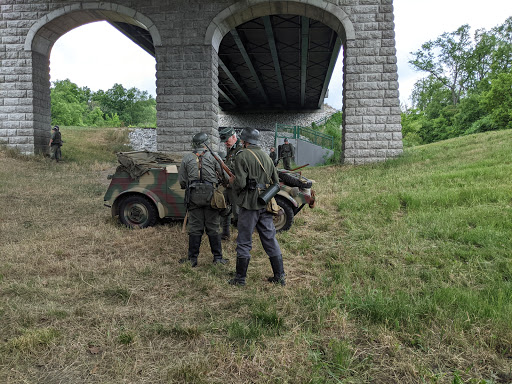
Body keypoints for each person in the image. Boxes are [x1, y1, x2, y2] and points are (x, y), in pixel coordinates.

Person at [228, 127, 285, 286]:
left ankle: (240, 279)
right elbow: (275, 181)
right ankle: (280, 277)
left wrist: (233, 186)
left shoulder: (242, 156)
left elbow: (240, 183)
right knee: (269, 238)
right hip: (265, 202)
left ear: (244, 141)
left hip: (249, 204)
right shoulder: (267, 156)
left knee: (244, 240)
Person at [178, 132, 229, 266]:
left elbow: (182, 183)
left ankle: (192, 259)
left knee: (195, 228)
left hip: (193, 197)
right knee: (213, 227)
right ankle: (217, 258)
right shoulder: (214, 157)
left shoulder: (186, 158)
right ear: (206, 143)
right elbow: (225, 178)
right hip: (211, 196)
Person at [219, 127, 242, 240]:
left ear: (234, 137)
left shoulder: (240, 150)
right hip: (228, 186)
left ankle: (241, 237)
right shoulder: (231, 149)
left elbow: (239, 168)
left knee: (238, 213)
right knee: (225, 209)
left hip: (237, 187)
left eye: (227, 141)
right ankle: (225, 233)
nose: (225, 144)